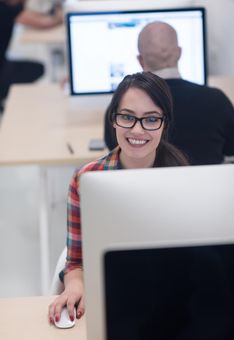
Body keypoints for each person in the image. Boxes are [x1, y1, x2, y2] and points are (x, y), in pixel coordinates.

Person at [48, 71, 189, 324]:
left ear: (164, 123)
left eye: (151, 119)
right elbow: (76, 261)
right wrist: (75, 286)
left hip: (167, 302)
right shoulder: (86, 179)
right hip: (109, 299)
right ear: (113, 120)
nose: (137, 130)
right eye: (127, 117)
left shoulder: (183, 179)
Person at [104, 21, 234, 165]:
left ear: (140, 60)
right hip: (207, 186)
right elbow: (231, 149)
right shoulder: (216, 100)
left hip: (145, 187)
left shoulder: (122, 109)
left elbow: (116, 152)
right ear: (179, 53)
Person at [0, 0, 63, 110]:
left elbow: (34, 15)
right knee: (38, 69)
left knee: (37, 68)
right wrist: (59, 15)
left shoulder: (9, 7)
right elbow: (46, 23)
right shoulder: (6, 9)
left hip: (4, 64)